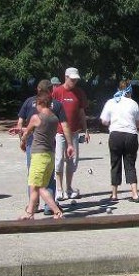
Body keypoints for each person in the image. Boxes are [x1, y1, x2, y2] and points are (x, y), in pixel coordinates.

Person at [12, 79, 72, 215]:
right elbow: (65, 126)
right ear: (51, 91)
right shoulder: (56, 110)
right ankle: (35, 212)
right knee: (47, 181)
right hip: (50, 150)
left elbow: (25, 127)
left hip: (36, 151)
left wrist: (21, 139)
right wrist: (69, 144)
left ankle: (48, 210)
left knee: (34, 183)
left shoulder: (32, 109)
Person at [18, 94, 64, 220]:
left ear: (40, 103)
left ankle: (56, 211)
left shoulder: (36, 117)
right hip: (50, 154)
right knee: (35, 186)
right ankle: (29, 213)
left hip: (39, 155)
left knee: (38, 187)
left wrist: (22, 141)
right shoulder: (54, 118)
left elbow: (27, 132)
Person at [100, 81, 139, 202]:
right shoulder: (134, 104)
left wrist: (111, 122)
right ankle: (135, 194)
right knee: (130, 164)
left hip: (116, 135)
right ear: (130, 91)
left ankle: (114, 194)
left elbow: (104, 121)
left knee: (115, 163)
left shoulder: (111, 102)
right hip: (131, 135)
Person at [52, 67, 89, 201]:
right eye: (72, 79)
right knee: (59, 161)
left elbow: (81, 113)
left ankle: (68, 188)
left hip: (74, 132)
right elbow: (50, 111)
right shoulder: (57, 92)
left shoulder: (79, 93)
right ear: (66, 77)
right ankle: (59, 189)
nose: (74, 82)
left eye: (76, 80)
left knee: (72, 162)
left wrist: (86, 130)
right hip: (59, 132)